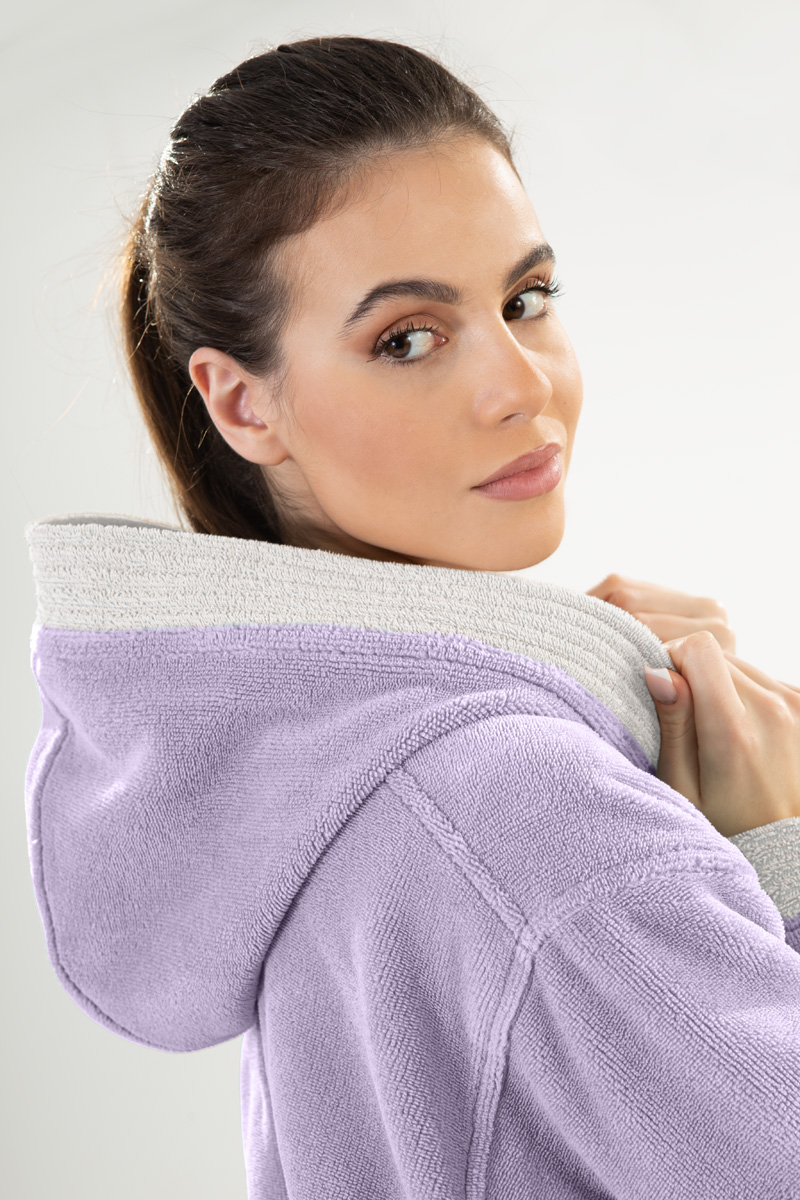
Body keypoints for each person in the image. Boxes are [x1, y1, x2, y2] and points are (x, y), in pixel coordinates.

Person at [23, 35, 800, 1199]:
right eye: (408, 339)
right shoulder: (515, 808)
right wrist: (776, 862)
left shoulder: (315, 783)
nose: (521, 384)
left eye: (525, 300)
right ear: (242, 404)